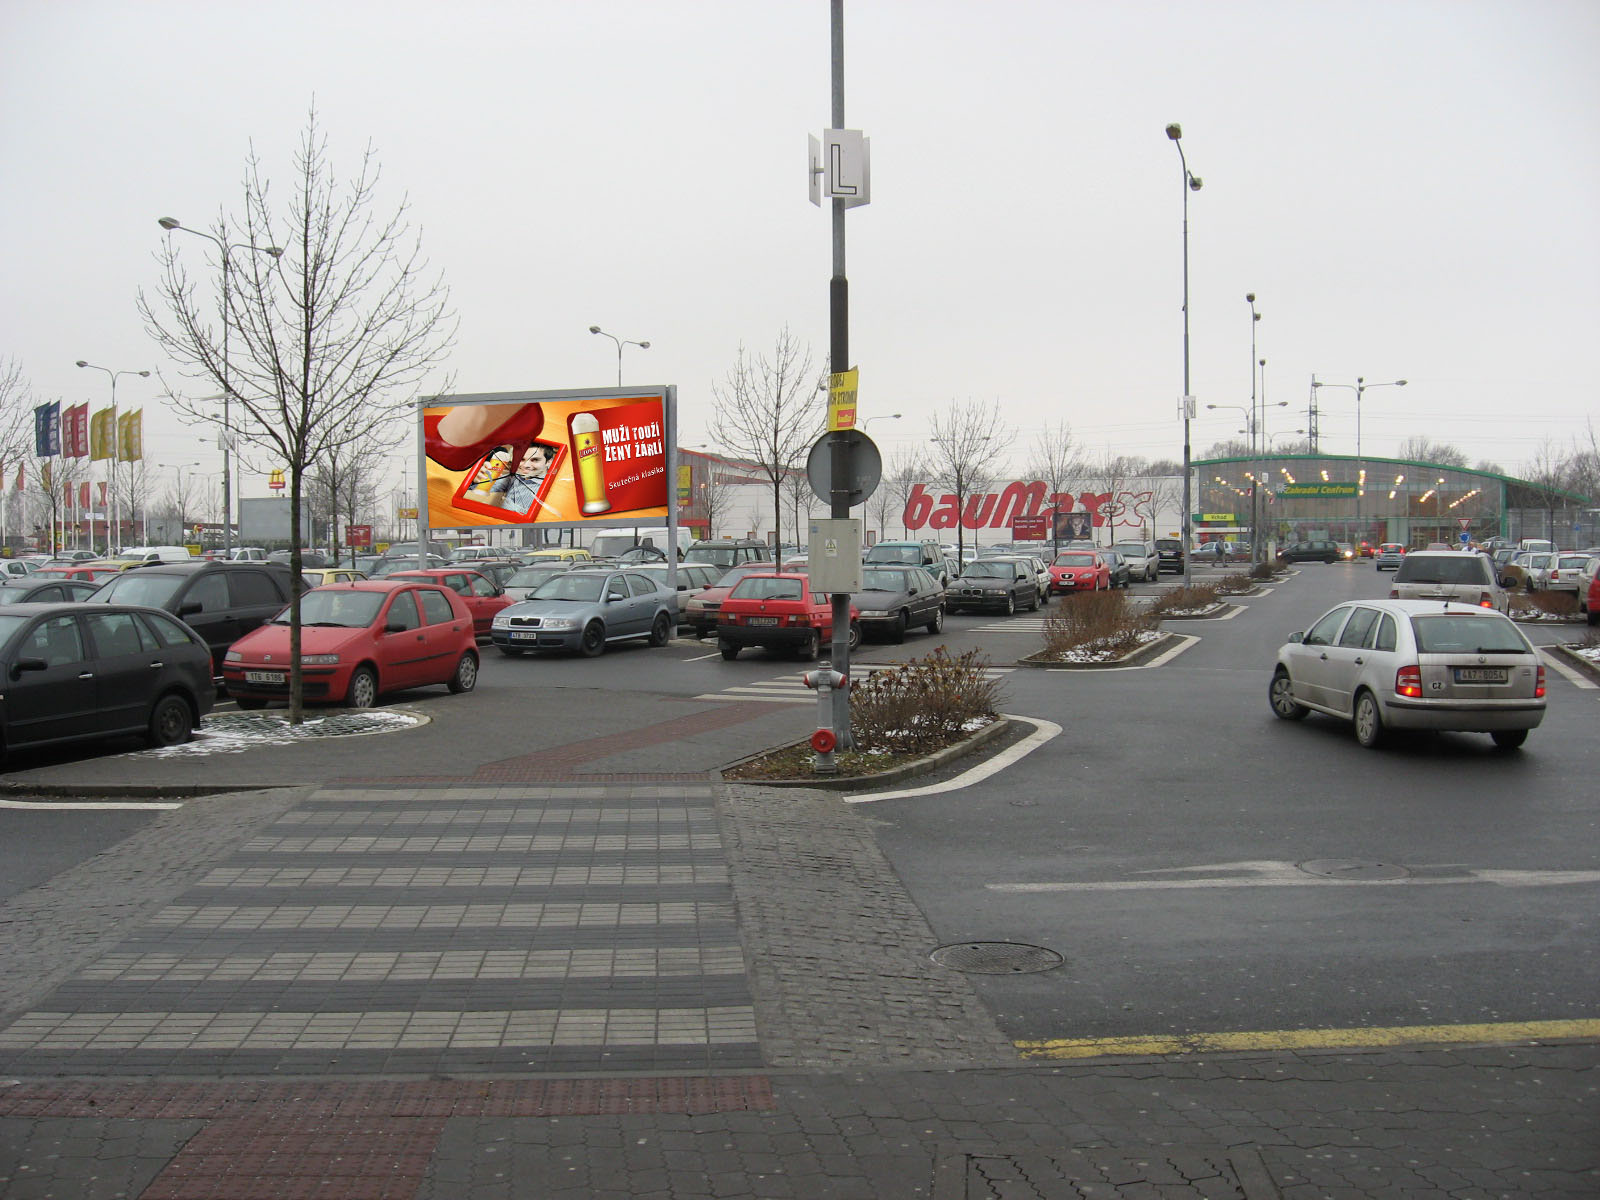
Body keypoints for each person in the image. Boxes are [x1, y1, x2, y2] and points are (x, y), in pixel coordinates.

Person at [487, 443, 556, 511]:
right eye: (522, 459)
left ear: (549, 461)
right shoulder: (515, 476)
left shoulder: (551, 490)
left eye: (535, 460)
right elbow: (484, 489)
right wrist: (480, 478)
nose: (525, 465)